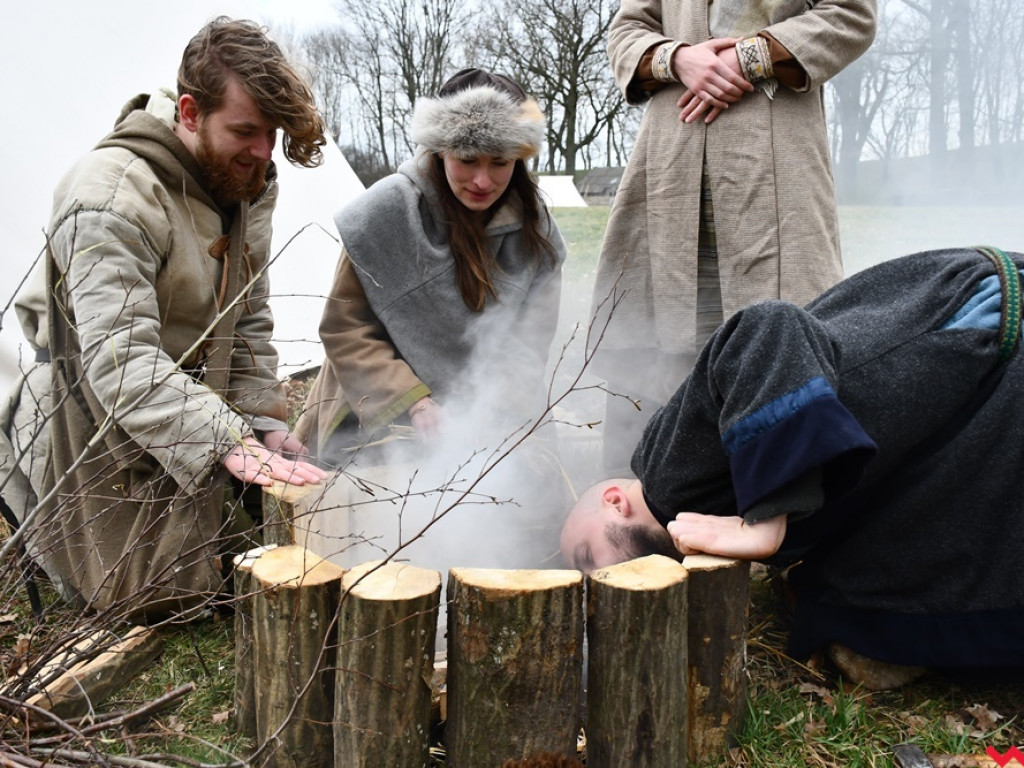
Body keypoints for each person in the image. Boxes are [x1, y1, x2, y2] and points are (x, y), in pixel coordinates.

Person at [563, 247, 1024, 685]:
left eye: (587, 557)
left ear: (615, 502)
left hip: (981, 317)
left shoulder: (666, 475)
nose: (592, 579)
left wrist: (768, 516)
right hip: (952, 392)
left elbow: (768, 326)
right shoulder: (679, 512)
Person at [7, 17, 329, 622]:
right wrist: (223, 440)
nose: (263, 151)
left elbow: (249, 309)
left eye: (272, 133)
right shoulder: (109, 196)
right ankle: (27, 460)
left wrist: (259, 420)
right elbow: (120, 361)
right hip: (100, 404)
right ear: (188, 111)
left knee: (257, 551)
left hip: (190, 396)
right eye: (245, 131)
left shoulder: (242, 172)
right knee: (160, 593)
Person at [590, 0, 877, 473]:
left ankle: (770, 513)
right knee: (656, 345)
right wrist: (679, 59)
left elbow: (850, 15)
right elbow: (628, 28)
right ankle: (638, 513)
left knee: (774, 345)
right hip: (670, 169)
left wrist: (745, 57)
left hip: (774, 174)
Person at [297, 68, 566, 464]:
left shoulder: (537, 232)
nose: (482, 180)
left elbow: (529, 344)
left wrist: (486, 413)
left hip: (489, 420)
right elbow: (344, 327)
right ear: (440, 150)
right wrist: (415, 403)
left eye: (500, 162)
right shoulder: (384, 213)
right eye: (468, 159)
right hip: (374, 414)